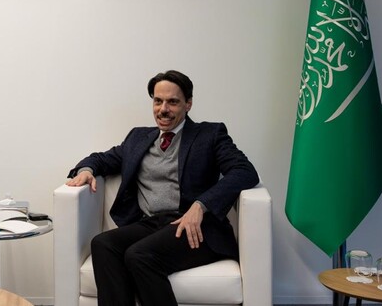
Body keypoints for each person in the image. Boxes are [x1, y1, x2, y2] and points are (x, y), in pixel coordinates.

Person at [66, 70, 258, 306]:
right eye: (158, 101)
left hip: (196, 228)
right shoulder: (138, 138)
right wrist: (86, 170)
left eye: (172, 102)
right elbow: (102, 159)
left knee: (138, 255)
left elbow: (244, 171)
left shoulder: (210, 134)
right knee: (102, 244)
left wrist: (201, 205)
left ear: (188, 104)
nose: (163, 109)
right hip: (151, 225)